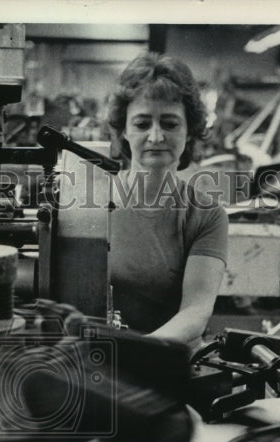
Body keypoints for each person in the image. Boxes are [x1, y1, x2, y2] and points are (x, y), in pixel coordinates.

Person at [105, 53, 229, 346]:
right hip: (91, 365)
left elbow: (195, 312)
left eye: (170, 123)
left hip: (167, 369)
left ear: (189, 133)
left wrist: (135, 354)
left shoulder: (206, 215)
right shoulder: (88, 203)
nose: (156, 136)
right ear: (123, 130)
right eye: (142, 124)